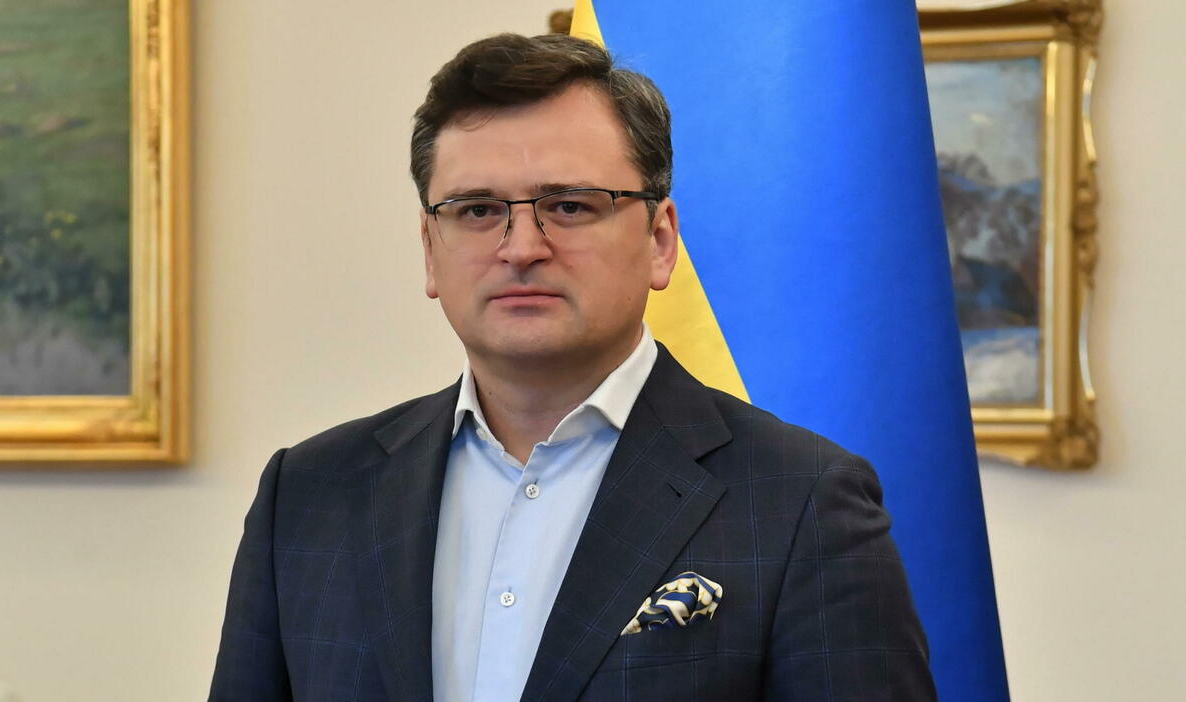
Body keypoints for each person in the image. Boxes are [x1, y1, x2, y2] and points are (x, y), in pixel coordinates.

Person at [209, 33, 935, 702]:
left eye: (569, 205)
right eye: (477, 210)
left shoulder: (802, 502)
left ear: (660, 241)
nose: (522, 246)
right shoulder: (309, 493)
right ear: (430, 249)